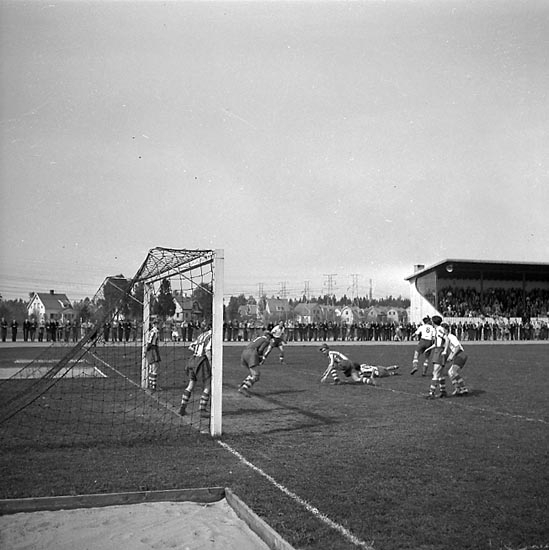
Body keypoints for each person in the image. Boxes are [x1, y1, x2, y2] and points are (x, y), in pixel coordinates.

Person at [179, 323, 212, 417]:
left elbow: (191, 346)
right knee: (208, 384)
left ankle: (182, 408)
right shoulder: (211, 335)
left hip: (192, 359)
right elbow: (208, 350)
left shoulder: (202, 335)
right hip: (201, 360)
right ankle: (202, 409)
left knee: (191, 384)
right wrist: (211, 364)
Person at [238, 331, 274, 397]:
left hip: (244, 352)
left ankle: (243, 384)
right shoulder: (266, 340)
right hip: (251, 353)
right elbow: (260, 350)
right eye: (270, 337)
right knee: (256, 375)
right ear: (268, 336)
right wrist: (260, 358)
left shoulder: (258, 338)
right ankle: (244, 388)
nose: (270, 339)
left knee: (252, 372)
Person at [442, 323, 469, 396]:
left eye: (442, 329)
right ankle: (458, 389)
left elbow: (457, 347)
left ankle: (463, 388)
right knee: (450, 372)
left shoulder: (451, 337)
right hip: (458, 355)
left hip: (461, 354)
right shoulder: (446, 337)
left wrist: (451, 356)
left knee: (452, 372)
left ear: (446, 330)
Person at [424, 315, 448, 399]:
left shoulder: (439, 329)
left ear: (433, 322)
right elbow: (436, 343)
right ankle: (443, 391)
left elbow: (446, 339)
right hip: (437, 350)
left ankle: (431, 393)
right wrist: (428, 348)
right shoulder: (437, 330)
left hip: (440, 351)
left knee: (435, 373)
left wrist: (445, 350)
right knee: (440, 373)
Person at [145, 318, 161, 391]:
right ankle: (153, 386)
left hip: (151, 349)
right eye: (157, 323)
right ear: (155, 324)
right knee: (155, 367)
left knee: (152, 368)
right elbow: (150, 341)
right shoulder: (155, 331)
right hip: (153, 349)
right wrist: (148, 349)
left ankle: (151, 384)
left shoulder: (152, 331)